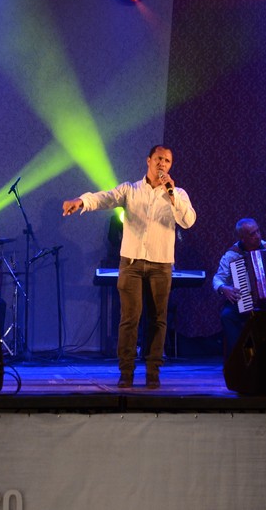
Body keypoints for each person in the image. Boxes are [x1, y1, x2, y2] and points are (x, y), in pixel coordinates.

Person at [62, 144, 196, 389]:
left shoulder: (178, 193)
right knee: (129, 318)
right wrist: (81, 201)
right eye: (158, 158)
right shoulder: (130, 189)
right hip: (131, 263)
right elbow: (105, 198)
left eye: (167, 161)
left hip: (161, 264)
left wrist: (173, 195)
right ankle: (126, 372)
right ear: (148, 160)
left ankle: (153, 372)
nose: (162, 164)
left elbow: (188, 221)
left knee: (158, 319)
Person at [212, 218, 266, 357]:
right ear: (242, 238)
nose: (258, 236)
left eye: (258, 231)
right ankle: (237, 358)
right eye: (252, 234)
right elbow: (218, 278)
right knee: (227, 315)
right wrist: (224, 288)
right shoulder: (232, 255)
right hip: (244, 300)